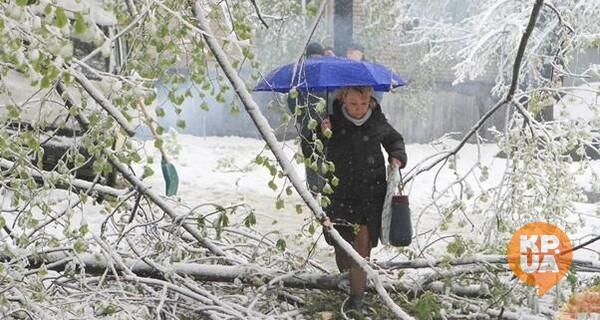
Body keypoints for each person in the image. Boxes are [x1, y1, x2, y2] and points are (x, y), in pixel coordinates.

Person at [321, 86, 407, 312]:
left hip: (370, 193)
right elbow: (310, 148)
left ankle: (356, 302)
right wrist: (322, 133)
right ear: (343, 100)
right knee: (341, 245)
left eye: (363, 104)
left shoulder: (377, 121)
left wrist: (396, 157)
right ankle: (348, 286)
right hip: (339, 193)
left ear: (370, 101)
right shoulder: (332, 121)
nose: (358, 109)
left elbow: (395, 140)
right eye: (353, 104)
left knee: (362, 245)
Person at [287, 42, 328, 194]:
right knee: (311, 162)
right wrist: (302, 117)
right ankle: (313, 192)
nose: (315, 60)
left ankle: (325, 192)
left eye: (318, 56)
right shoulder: (300, 77)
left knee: (325, 161)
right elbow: (292, 100)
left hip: (326, 128)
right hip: (307, 128)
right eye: (313, 57)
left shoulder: (326, 76)